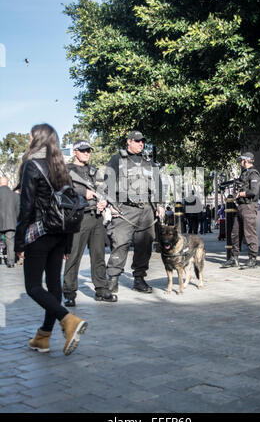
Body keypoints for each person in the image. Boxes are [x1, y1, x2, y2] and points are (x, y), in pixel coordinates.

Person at [14, 123, 87, 356]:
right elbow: (67, 205)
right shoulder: (60, 167)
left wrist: (19, 242)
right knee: (54, 287)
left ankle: (68, 320)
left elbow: (25, 208)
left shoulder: (31, 165)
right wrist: (67, 242)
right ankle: (43, 338)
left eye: (30, 136)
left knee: (33, 286)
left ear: (37, 139)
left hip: (39, 232)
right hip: (60, 233)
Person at [104, 130, 164, 294]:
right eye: (137, 141)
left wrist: (160, 205)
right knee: (120, 243)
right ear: (128, 142)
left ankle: (139, 279)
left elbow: (158, 183)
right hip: (125, 209)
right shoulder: (118, 159)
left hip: (147, 209)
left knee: (144, 245)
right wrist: (112, 204)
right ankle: (113, 278)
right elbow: (108, 182)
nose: (141, 144)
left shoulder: (149, 162)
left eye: (142, 141)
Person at [63, 139, 117, 306]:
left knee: (99, 255)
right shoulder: (66, 170)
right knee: (74, 256)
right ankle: (69, 292)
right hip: (78, 217)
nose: (86, 153)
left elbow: (103, 190)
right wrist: (82, 192)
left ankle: (101, 289)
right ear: (75, 152)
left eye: (88, 150)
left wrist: (104, 202)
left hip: (97, 216)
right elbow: (62, 189)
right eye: (83, 150)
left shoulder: (94, 171)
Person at [222, 152, 260, 269]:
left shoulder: (254, 174)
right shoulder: (244, 173)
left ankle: (252, 259)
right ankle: (234, 258)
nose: (240, 162)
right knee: (235, 233)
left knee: (249, 233)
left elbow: (254, 191)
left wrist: (239, 194)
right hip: (240, 207)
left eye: (242, 160)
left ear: (246, 160)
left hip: (249, 206)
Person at [0, 176, 19, 267]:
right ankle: (11, 262)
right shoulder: (14, 195)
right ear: (7, 183)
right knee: (10, 242)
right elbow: (18, 211)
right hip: (10, 222)